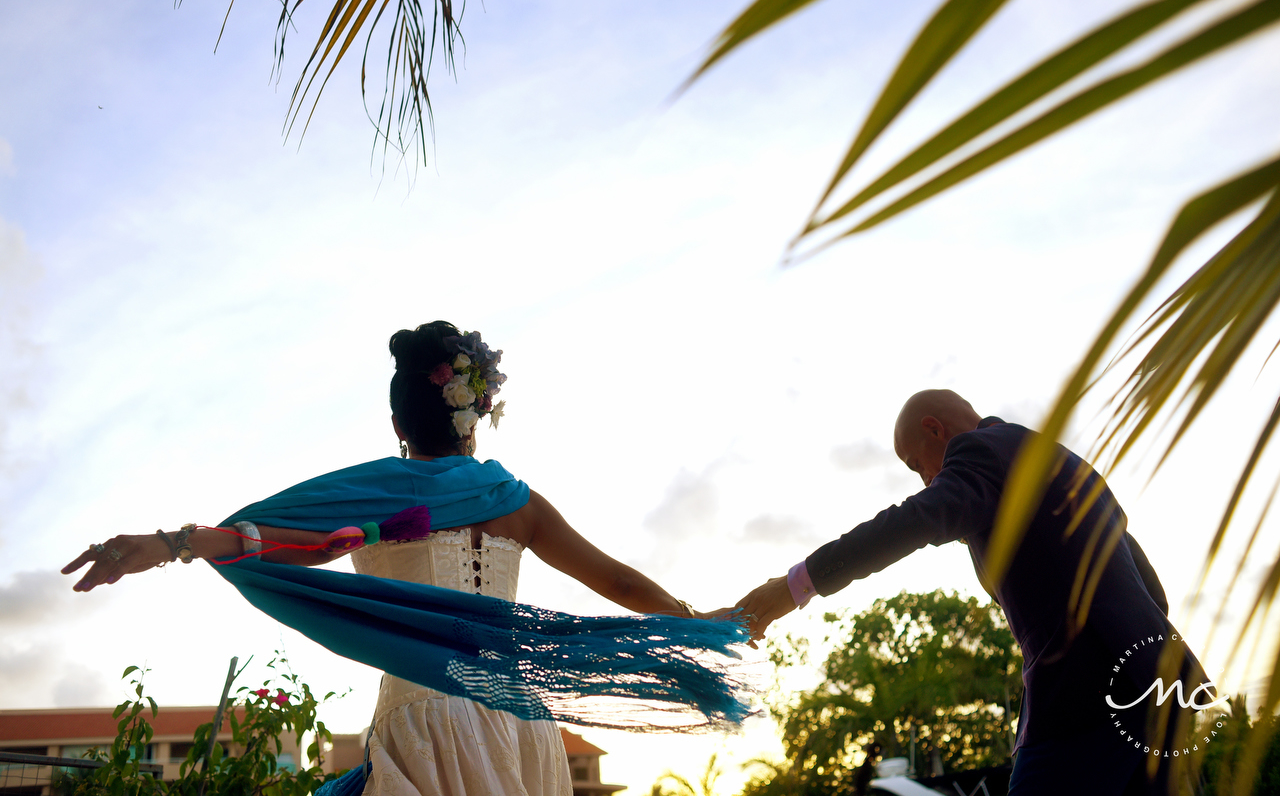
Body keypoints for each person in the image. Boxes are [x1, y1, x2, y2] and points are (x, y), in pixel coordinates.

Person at [63, 321, 735, 796]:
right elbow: (614, 579)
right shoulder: (516, 502)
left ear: (399, 428)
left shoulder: (383, 499)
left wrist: (168, 545)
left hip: (425, 718)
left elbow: (268, 541)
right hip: (521, 717)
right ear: (476, 415)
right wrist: (695, 620)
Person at [728, 389, 1209, 796]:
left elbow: (916, 519)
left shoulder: (981, 452)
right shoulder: (1060, 462)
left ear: (936, 430)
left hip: (1082, 700)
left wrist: (794, 586)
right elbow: (1149, 588)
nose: (927, 480)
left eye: (918, 465)